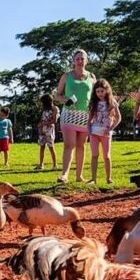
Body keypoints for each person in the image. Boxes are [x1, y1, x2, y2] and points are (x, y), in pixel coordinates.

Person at [55, 50, 96, 183]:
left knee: (81, 145)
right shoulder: (66, 76)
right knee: (69, 144)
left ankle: (79, 176)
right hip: (69, 114)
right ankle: (64, 175)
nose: (80, 61)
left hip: (85, 115)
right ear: (73, 61)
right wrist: (65, 100)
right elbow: (57, 95)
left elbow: (97, 95)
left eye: (82, 59)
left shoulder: (92, 77)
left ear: (86, 61)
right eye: (77, 59)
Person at [88, 79, 121, 185]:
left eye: (102, 91)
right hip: (94, 132)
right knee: (94, 155)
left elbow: (118, 118)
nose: (100, 94)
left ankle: (109, 178)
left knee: (106, 156)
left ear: (107, 90)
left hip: (106, 133)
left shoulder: (112, 102)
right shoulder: (94, 103)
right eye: (97, 91)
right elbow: (90, 119)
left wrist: (111, 128)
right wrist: (89, 130)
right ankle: (93, 179)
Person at [35, 94, 59, 170]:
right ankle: (41, 165)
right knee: (42, 147)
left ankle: (55, 165)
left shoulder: (55, 109)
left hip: (49, 130)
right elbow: (43, 119)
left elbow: (54, 121)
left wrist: (45, 124)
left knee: (51, 147)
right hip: (43, 130)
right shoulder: (45, 110)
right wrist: (40, 125)